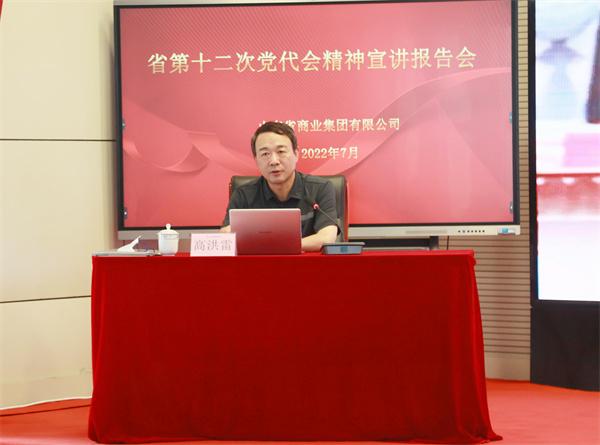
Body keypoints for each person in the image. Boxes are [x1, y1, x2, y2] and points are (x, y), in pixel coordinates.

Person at [221, 121, 338, 252]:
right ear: (256, 160)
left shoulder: (320, 189)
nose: (274, 161)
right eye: (265, 154)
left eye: (281, 151)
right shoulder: (243, 194)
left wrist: (275, 245)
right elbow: (226, 237)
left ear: (296, 154)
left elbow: (327, 238)